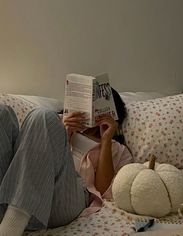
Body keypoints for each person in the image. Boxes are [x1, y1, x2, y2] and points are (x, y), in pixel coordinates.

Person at [0, 88, 133, 236]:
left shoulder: (118, 150)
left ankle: (12, 226)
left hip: (67, 199)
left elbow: (103, 191)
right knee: (2, 113)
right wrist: (64, 131)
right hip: (14, 193)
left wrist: (106, 139)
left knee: (42, 115)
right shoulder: (57, 122)